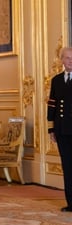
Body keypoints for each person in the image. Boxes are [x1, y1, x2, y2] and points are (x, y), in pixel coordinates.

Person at [47, 47, 72, 212]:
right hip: (62, 131)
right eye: (68, 58)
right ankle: (71, 203)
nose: (70, 61)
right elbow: (52, 105)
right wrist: (51, 129)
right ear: (62, 60)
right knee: (67, 166)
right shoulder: (56, 80)